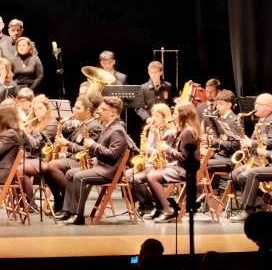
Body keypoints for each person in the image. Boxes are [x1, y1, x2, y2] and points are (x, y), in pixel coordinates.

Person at [58, 96, 131, 225]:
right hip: (100, 166)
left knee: (79, 177)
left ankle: (78, 215)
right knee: (70, 173)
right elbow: (104, 151)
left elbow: (113, 155)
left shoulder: (118, 130)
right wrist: (95, 158)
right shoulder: (108, 126)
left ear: (113, 113)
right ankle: (67, 211)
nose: (99, 111)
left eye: (104, 109)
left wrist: (93, 145)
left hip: (109, 171)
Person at [142, 102, 202, 222]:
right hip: (181, 167)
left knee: (152, 176)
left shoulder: (188, 132)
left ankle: (169, 211)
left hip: (187, 171)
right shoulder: (184, 130)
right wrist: (171, 163)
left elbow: (185, 158)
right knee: (151, 173)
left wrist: (167, 149)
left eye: (175, 113)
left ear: (183, 115)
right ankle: (160, 208)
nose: (173, 116)